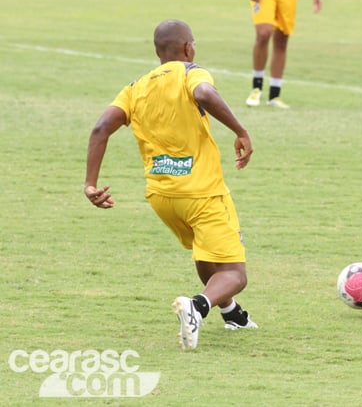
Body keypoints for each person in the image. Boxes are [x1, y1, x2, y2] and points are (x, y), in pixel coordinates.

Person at [84, 20, 258, 350]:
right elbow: (204, 93)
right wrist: (241, 130)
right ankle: (197, 307)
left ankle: (233, 314)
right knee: (235, 274)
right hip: (202, 193)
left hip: (162, 197)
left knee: (206, 255)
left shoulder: (135, 87)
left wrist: (90, 184)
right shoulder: (191, 72)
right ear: (188, 47)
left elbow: (100, 129)